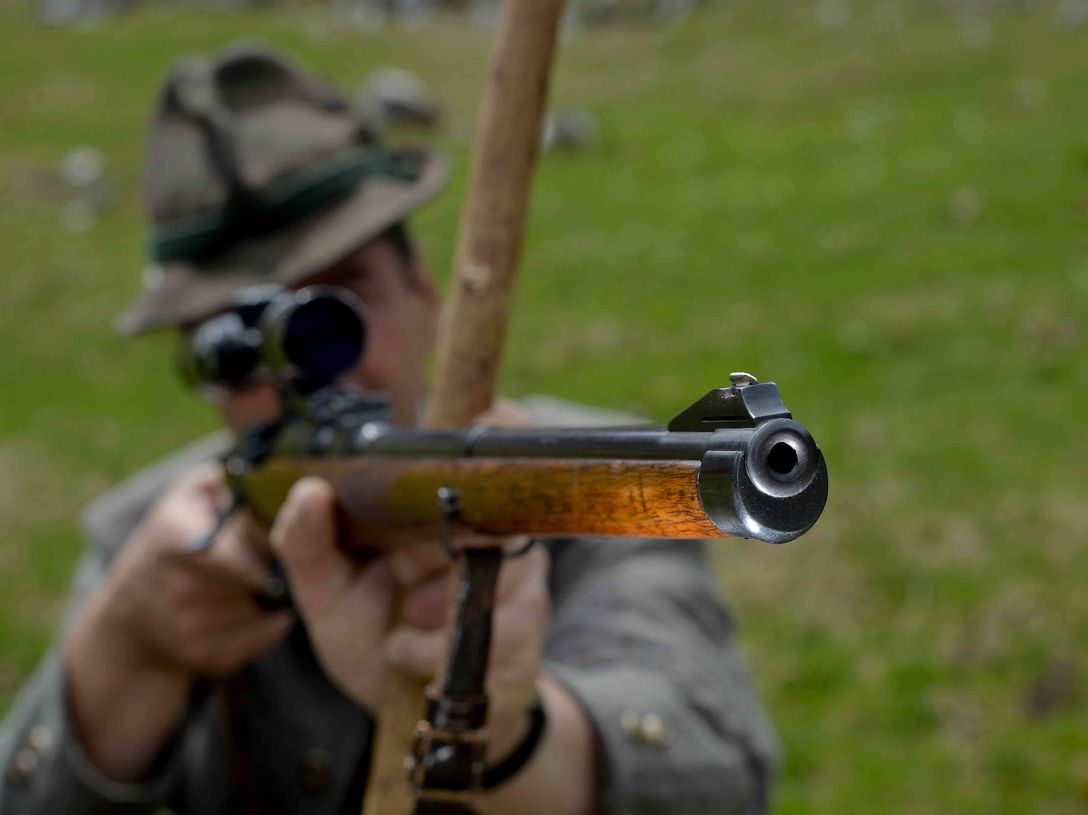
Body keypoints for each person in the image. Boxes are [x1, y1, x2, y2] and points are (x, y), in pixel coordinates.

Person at [0, 45, 777, 815]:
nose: (320, 371)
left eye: (346, 294)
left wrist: (512, 735)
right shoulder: (163, 541)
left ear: (422, 289)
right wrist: (126, 652)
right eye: (241, 333)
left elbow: (721, 776)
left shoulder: (562, 487)